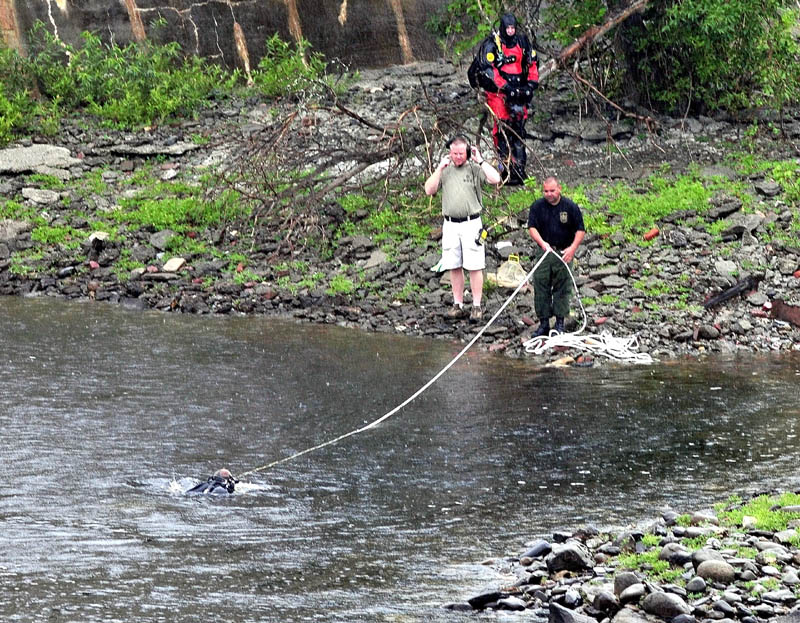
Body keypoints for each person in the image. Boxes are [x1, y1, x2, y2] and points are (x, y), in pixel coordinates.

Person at [424, 136, 502, 321]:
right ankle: (457, 304)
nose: (458, 157)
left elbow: (495, 178)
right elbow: (429, 190)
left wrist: (480, 160)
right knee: (453, 265)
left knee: (475, 266)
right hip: (450, 224)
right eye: (454, 153)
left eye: (461, 153)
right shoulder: (445, 171)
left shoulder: (475, 169)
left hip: (472, 223)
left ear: (467, 152)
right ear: (449, 153)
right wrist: (439, 169)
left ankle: (476, 306)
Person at [468, 13, 539, 185]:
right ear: (502, 28)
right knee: (502, 129)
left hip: (519, 91)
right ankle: (504, 169)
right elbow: (488, 71)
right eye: (507, 28)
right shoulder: (491, 45)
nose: (510, 31)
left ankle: (519, 170)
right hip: (498, 93)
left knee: (519, 130)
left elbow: (533, 64)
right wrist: (507, 88)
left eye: (512, 28)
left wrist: (530, 85)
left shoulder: (523, 43)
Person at [527, 176, 585, 336]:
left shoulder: (570, 206)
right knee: (541, 285)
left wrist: (572, 248)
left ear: (559, 189)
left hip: (564, 251)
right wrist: (542, 243)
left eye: (552, 190)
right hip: (544, 251)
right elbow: (532, 227)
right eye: (546, 191)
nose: (549, 194)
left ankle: (559, 324)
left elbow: (581, 229)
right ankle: (544, 324)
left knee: (563, 287)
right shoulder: (537, 206)